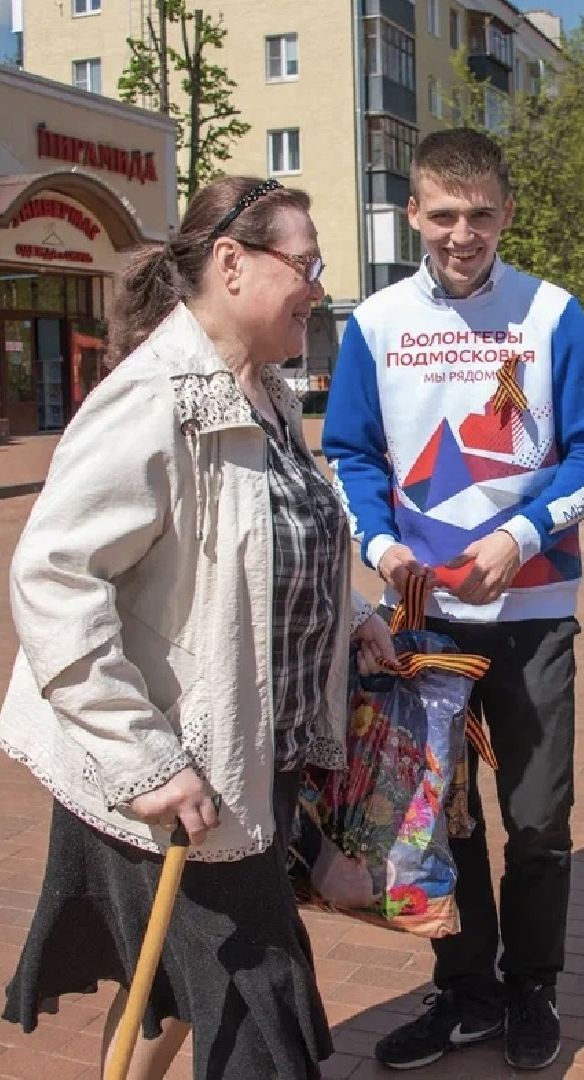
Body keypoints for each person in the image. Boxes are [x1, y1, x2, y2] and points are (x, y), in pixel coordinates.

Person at [0, 175, 396, 1080]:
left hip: (249, 762)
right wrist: (145, 759)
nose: (318, 288)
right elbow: (55, 580)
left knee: (176, 993)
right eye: (306, 266)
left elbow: (267, 545)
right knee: (260, 1012)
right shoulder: (154, 398)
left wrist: (352, 616)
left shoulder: (268, 394)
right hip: (177, 776)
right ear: (231, 263)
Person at [323, 127, 584, 1071]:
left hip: (534, 614)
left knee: (537, 820)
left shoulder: (553, 313)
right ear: (413, 212)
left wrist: (520, 537)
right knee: (438, 820)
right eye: (444, 215)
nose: (463, 234)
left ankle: (532, 987)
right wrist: (381, 547)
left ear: (507, 214)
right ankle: (467, 992)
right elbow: (350, 455)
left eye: (481, 215)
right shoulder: (376, 323)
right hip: (425, 620)